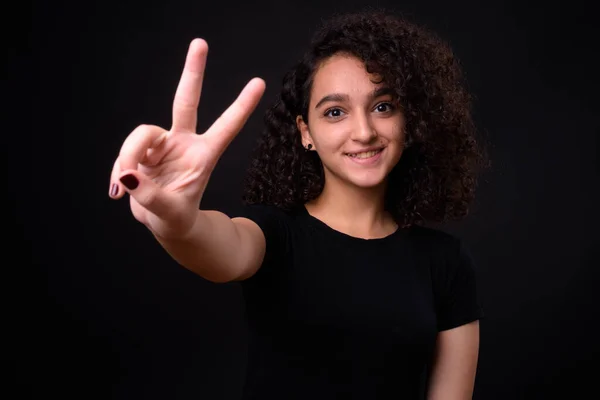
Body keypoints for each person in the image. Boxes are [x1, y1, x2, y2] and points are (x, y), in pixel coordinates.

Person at [109, 9, 486, 400]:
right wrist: (176, 222)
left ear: (410, 121)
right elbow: (217, 245)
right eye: (335, 112)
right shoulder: (273, 234)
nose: (363, 132)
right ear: (306, 132)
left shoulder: (445, 262)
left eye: (383, 106)